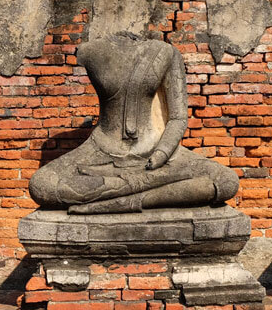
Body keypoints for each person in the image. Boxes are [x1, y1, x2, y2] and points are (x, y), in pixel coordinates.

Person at [29, 34, 238, 214]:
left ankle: (130, 199)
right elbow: (41, 188)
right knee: (41, 186)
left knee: (226, 181)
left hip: (155, 153)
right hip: (100, 150)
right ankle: (142, 187)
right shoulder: (91, 50)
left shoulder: (165, 52)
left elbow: (178, 118)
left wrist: (161, 155)